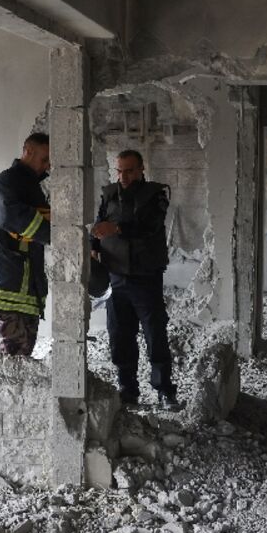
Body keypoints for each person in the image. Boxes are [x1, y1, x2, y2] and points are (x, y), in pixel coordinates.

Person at [91, 149, 183, 411]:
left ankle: (165, 391)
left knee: (155, 334)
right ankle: (127, 390)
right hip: (115, 277)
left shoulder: (155, 194)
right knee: (120, 335)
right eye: (119, 171)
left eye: (129, 170)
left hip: (145, 276)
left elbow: (150, 226)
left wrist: (117, 228)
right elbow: (99, 224)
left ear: (142, 169)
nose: (124, 176)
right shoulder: (108, 194)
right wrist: (93, 244)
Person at [0, 133, 51, 355]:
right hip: (11, 284)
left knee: (22, 354)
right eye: (44, 159)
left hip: (25, 286)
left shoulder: (28, 185)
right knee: (14, 360)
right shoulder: (7, 182)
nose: (47, 166)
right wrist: (58, 234)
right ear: (27, 152)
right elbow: (11, 217)